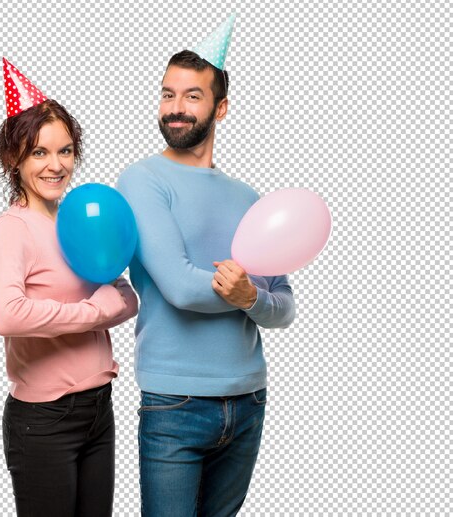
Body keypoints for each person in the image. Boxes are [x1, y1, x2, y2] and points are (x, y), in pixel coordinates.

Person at [116, 16, 296, 517]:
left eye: (192, 96)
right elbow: (179, 286)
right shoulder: (141, 180)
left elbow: (283, 309)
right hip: (174, 403)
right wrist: (245, 297)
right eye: (167, 94)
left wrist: (255, 298)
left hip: (248, 399)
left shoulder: (248, 198)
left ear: (221, 108)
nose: (175, 108)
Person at [0, 58, 138, 517]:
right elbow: (7, 315)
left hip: (98, 407)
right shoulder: (14, 227)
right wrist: (95, 313)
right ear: (14, 158)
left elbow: (126, 292)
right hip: (44, 420)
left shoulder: (77, 217)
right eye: (39, 153)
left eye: (66, 151)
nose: (56, 166)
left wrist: (113, 301)